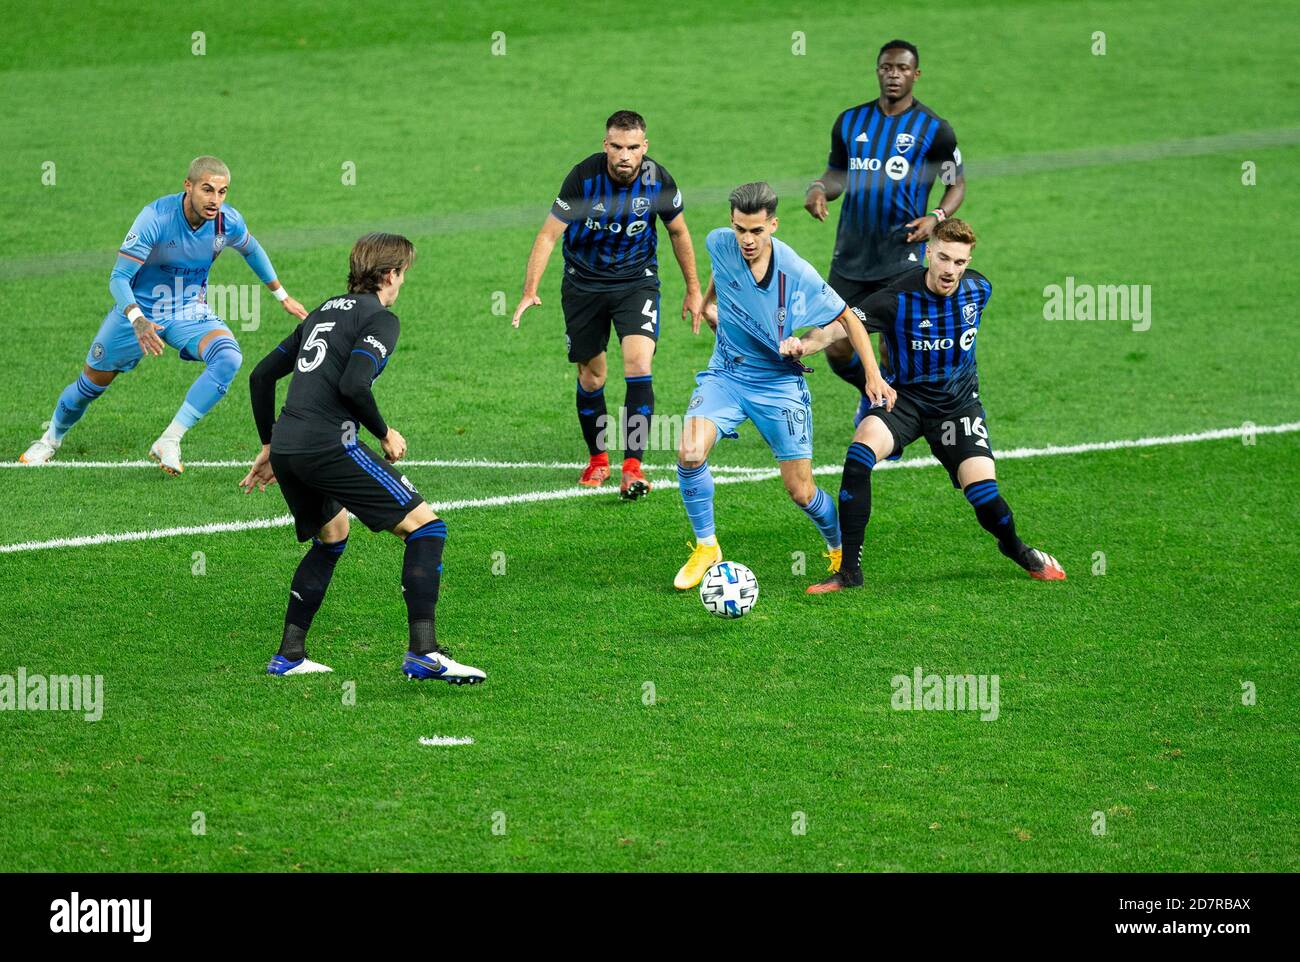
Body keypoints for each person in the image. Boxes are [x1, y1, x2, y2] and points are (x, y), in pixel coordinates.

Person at [240, 233, 485, 683]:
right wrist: (385, 433)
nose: (403, 281)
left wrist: (271, 445)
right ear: (390, 274)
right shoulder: (380, 319)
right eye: (404, 273)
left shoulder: (322, 312)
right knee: (428, 528)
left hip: (292, 445)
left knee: (332, 535)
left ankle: (289, 655)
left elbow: (261, 376)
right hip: (327, 444)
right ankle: (423, 653)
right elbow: (354, 385)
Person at [784, 219, 1066, 593]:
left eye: (960, 262)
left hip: (958, 408)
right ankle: (849, 572)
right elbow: (841, 326)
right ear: (928, 253)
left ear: (968, 262)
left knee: (985, 498)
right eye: (944, 258)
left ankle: (1017, 549)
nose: (951, 270)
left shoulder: (979, 290)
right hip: (905, 402)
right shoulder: (896, 298)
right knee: (858, 459)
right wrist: (804, 346)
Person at [19, 156, 307, 472]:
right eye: (207, 190)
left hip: (188, 310)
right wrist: (137, 320)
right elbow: (118, 278)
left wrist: (281, 295)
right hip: (138, 312)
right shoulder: (155, 218)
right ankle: (50, 438)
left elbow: (251, 249)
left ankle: (169, 439)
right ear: (188, 186)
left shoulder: (227, 222)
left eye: (222, 192)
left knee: (228, 357)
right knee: (90, 386)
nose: (215, 200)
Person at [673, 182, 894, 590]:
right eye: (741, 229)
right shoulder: (720, 243)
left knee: (800, 490)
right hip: (727, 374)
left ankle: (838, 549)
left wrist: (873, 375)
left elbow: (849, 319)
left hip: (778, 386)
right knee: (689, 451)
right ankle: (707, 547)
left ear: (773, 225)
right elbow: (722, 271)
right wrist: (706, 304)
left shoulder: (795, 272)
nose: (747, 240)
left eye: (756, 231)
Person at [512, 110, 703, 498]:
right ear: (606, 145)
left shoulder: (658, 180)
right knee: (593, 377)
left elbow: (678, 231)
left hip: (637, 283)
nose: (624, 156)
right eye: (617, 146)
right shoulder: (583, 178)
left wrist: (694, 289)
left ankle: (633, 466)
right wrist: (530, 289)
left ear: (644, 147)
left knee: (639, 362)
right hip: (584, 285)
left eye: (633, 147)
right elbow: (549, 234)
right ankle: (598, 458)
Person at [804, 39, 966, 426]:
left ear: (916, 74)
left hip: (902, 255)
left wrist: (936, 216)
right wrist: (818, 188)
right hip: (852, 255)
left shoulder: (934, 130)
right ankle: (870, 393)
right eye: (887, 68)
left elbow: (955, 183)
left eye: (902, 69)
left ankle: (887, 418)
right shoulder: (850, 122)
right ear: (878, 70)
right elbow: (837, 176)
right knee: (836, 348)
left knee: (892, 347)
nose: (894, 75)